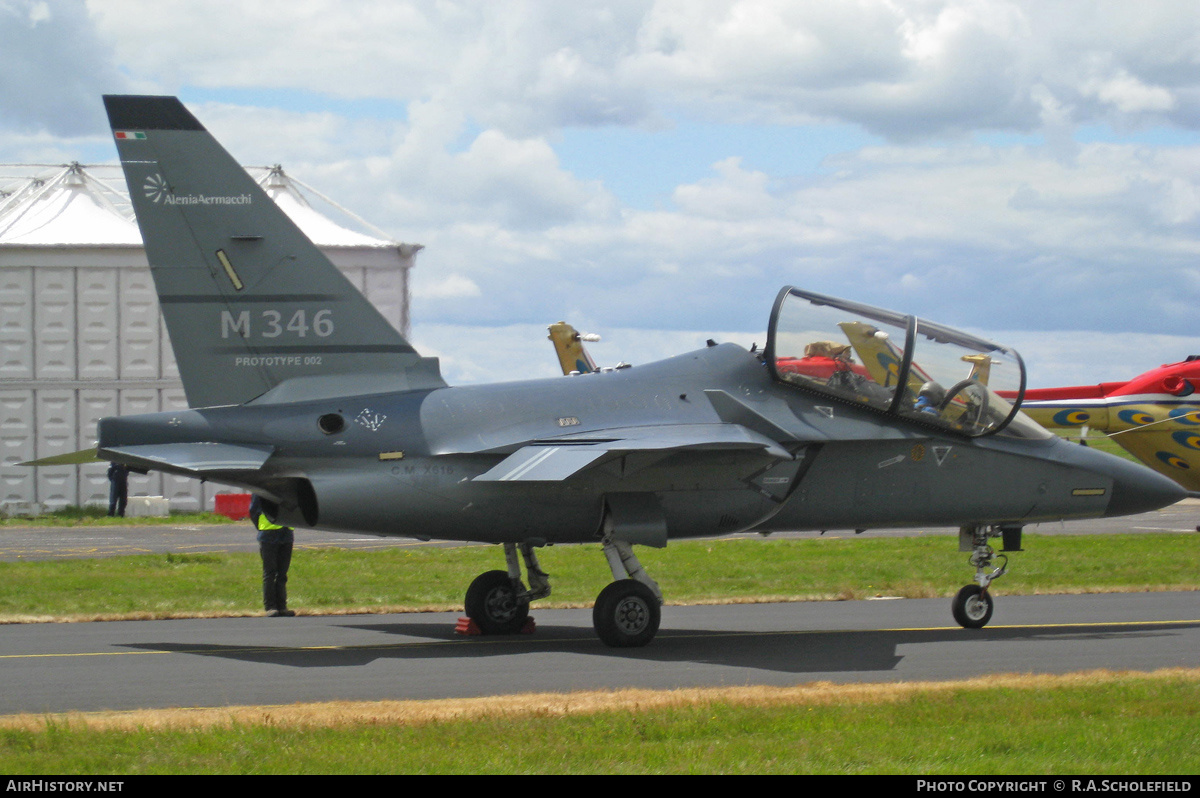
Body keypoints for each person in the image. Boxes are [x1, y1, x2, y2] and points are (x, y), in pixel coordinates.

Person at [249, 495, 295, 617]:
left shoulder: (289, 489)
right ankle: (270, 606)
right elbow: (254, 510)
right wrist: (261, 527)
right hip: (268, 534)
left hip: (286, 534)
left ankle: (282, 606)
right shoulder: (261, 489)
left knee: (282, 573)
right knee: (270, 573)